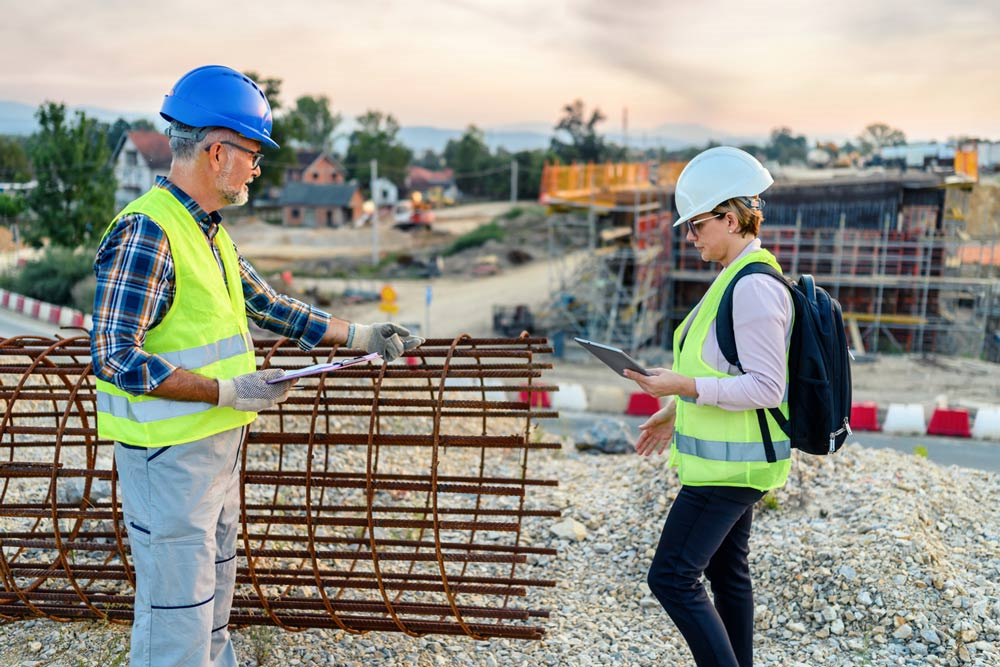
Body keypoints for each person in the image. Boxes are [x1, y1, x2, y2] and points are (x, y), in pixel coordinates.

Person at [90, 65, 423, 667]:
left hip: (211, 452)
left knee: (209, 612)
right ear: (217, 152)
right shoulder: (149, 231)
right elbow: (114, 357)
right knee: (175, 625)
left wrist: (360, 334)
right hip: (169, 463)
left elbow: (266, 302)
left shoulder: (204, 229)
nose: (257, 167)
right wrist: (225, 391)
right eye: (251, 152)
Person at [622, 146, 792, 667]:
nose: (689, 236)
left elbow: (768, 388)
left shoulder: (754, 287)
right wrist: (673, 410)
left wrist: (683, 388)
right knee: (726, 573)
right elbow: (723, 368)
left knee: (672, 577)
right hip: (730, 465)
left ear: (732, 217)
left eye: (696, 225)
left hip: (729, 470)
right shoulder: (732, 278)